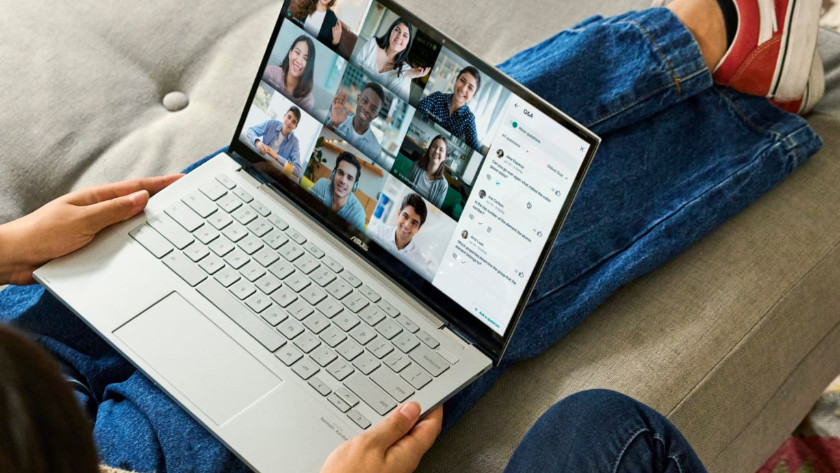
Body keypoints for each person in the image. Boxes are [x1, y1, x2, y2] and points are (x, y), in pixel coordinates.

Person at [0, 0, 825, 470]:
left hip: (41, 402)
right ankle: (713, 56)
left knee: (259, 192)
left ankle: (700, 53)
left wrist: (8, 247)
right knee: (427, 284)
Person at [351, 18, 431, 102]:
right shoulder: (373, 44)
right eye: (397, 30)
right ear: (390, 32)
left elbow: (396, 100)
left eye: (405, 35)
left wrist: (406, 76)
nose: (399, 36)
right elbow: (353, 68)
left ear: (408, 44)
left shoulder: (406, 71)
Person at [417, 66, 481, 151]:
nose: (463, 88)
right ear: (456, 80)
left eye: (470, 88)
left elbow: (475, 151)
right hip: (419, 143)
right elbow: (416, 112)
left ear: (474, 94)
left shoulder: (468, 118)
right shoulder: (437, 97)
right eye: (462, 80)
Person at [368, 193, 428, 271]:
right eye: (405, 216)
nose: (407, 225)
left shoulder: (419, 263)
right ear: (399, 214)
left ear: (418, 229)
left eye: (414, 223)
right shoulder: (378, 231)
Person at [328, 82, 385, 164]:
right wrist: (333, 124)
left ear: (376, 115)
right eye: (365, 101)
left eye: (373, 109)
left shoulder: (376, 151)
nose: (367, 109)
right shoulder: (336, 122)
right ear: (358, 99)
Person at [309, 151, 367, 229]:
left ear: (354, 186)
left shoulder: (358, 214)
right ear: (333, 174)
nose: (343, 181)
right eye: (340, 173)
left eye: (349, 178)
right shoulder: (322, 184)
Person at [245, 107, 303, 177]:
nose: (290, 122)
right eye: (289, 117)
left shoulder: (295, 142)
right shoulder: (272, 123)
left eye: (293, 122)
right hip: (257, 160)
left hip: (271, 174)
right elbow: (250, 131)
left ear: (295, 127)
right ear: (284, 116)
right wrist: (258, 143)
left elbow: (298, 170)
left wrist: (275, 156)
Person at [263, 35, 317, 110]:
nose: (298, 60)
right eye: (297, 52)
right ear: (290, 53)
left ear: (309, 65)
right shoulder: (270, 73)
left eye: (305, 58)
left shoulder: (307, 100)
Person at [406, 135, 449, 208]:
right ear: (429, 149)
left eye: (441, 150)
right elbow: (405, 188)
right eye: (434, 146)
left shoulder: (443, 185)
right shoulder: (416, 166)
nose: (436, 151)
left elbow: (435, 210)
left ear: (444, 157)